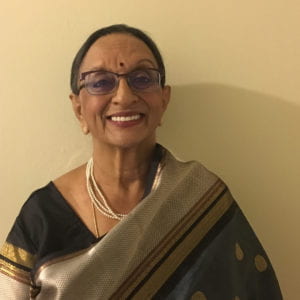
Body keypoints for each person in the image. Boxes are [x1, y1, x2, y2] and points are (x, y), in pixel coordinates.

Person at [0, 24, 282, 300]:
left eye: (143, 78)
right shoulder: (42, 216)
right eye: (100, 82)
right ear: (78, 109)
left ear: (164, 99)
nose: (124, 96)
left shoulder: (199, 197)